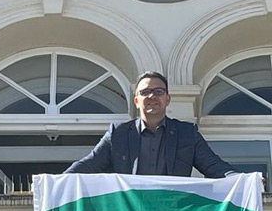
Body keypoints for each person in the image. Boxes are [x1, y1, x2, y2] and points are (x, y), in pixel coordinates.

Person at [65, 72, 237, 177]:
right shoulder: (118, 134)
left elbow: (215, 167)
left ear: (167, 99)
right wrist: (54, 182)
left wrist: (246, 181)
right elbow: (89, 165)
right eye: (145, 92)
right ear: (136, 101)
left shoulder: (186, 134)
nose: (151, 96)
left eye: (158, 91)